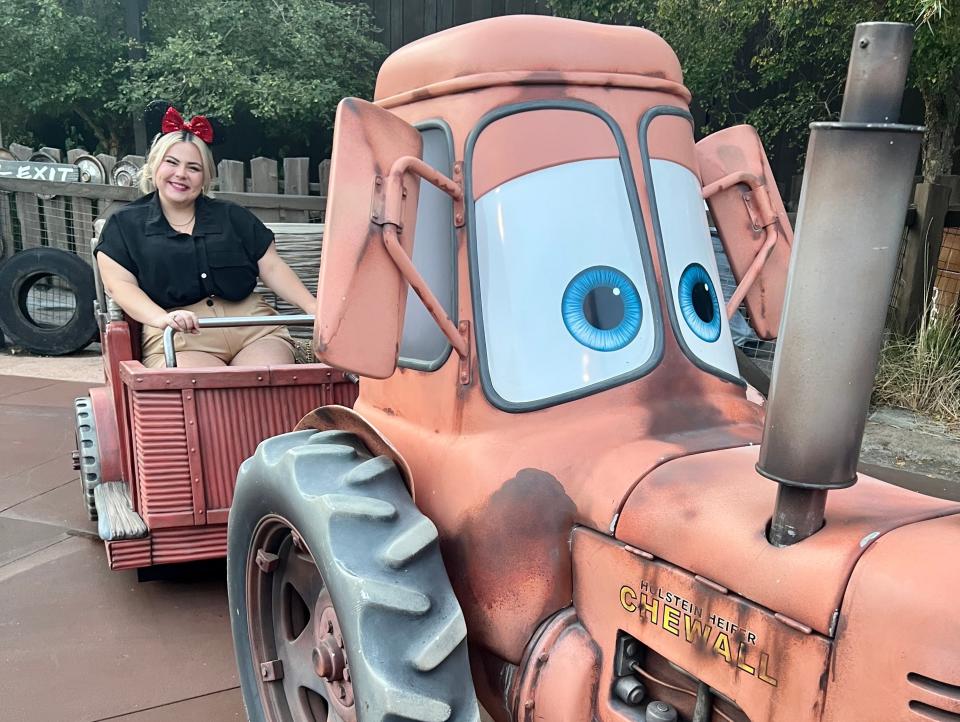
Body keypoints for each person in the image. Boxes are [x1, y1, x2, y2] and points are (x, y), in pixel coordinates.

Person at [95, 108, 317, 368]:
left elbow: (271, 267)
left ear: (205, 177)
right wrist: (161, 319)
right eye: (172, 162)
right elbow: (119, 286)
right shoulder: (124, 224)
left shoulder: (233, 216)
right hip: (179, 334)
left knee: (269, 380)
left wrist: (313, 307)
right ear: (155, 165)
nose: (181, 174)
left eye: (193, 168)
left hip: (251, 326)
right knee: (205, 392)